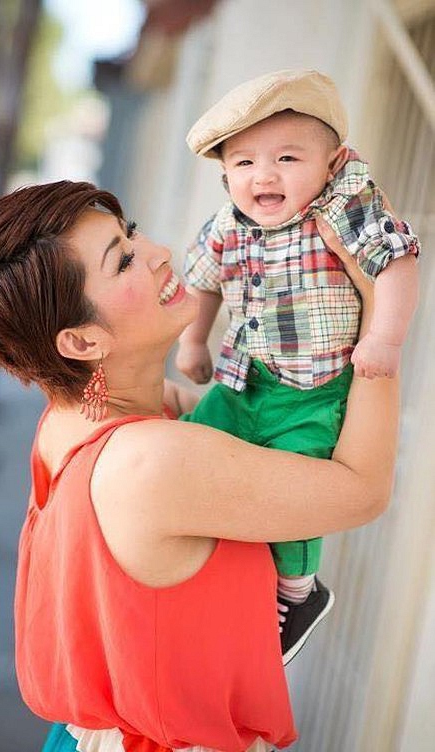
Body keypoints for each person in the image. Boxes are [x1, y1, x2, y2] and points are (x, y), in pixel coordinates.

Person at [0, 180, 399, 752]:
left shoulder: (75, 419)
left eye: (131, 232)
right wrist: (379, 317)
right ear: (82, 342)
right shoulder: (147, 462)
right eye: (123, 261)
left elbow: (220, 429)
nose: (158, 251)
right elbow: (362, 490)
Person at [176, 69, 419, 663]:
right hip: (242, 381)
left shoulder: (343, 208)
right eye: (244, 162)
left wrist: (385, 339)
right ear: (226, 173)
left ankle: (298, 591)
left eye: (287, 157)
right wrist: (194, 343)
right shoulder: (228, 223)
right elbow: (202, 283)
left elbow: (397, 264)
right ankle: (208, 564)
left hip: (314, 391)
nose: (264, 175)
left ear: (331, 163)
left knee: (296, 490)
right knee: (191, 449)